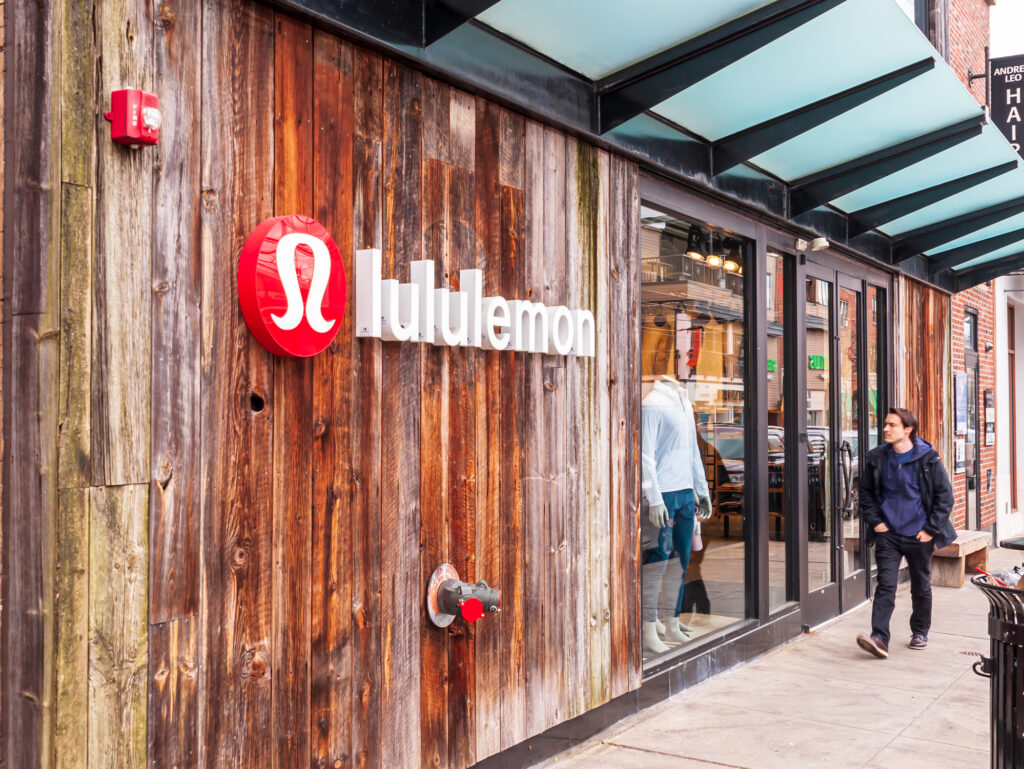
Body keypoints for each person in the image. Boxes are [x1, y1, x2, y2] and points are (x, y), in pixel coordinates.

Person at [856, 407, 955, 659]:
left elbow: (945, 497)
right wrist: (876, 522)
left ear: (907, 429)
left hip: (918, 533)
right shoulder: (878, 458)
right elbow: (865, 493)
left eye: (892, 425)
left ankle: (920, 631)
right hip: (888, 533)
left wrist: (931, 529)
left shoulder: (927, 459)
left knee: (920, 585)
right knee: (885, 585)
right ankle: (879, 637)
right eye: (885, 425)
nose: (885, 429)